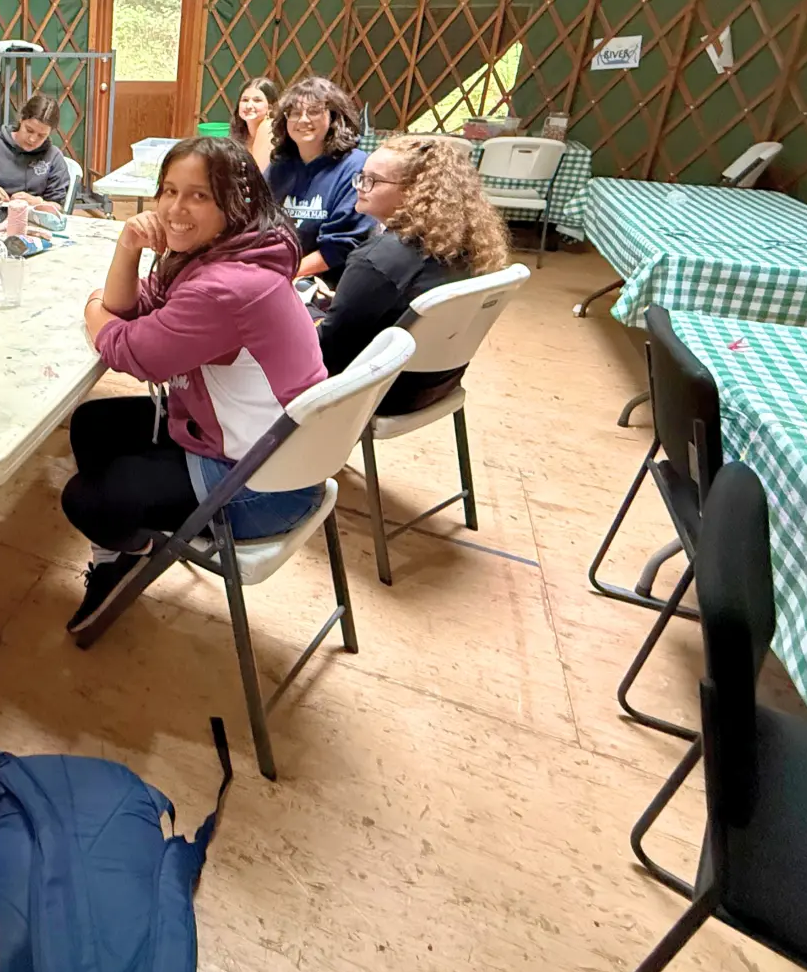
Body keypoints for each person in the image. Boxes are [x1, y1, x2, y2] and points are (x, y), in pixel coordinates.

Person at [61, 137, 329, 634]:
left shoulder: (228, 286)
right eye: (167, 190)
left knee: (84, 499)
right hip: (253, 445)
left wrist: (91, 310)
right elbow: (133, 306)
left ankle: (134, 549)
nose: (175, 208)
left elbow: (128, 349)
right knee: (94, 424)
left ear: (237, 203)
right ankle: (118, 554)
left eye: (199, 196)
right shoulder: (226, 254)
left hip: (263, 485)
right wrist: (128, 245)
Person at [318, 135, 510, 415]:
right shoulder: (464, 246)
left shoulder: (378, 260)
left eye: (373, 180)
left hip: (377, 393)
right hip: (436, 384)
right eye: (361, 177)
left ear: (415, 192)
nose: (359, 187)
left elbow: (327, 351)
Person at [264, 77, 373, 283]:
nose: (303, 120)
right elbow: (255, 219)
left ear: (333, 116)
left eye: (313, 111)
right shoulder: (280, 165)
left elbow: (341, 245)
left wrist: (284, 276)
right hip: (277, 271)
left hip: (327, 283)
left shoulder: (355, 166)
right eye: (294, 113)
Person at [0, 93, 71, 211]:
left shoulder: (53, 157)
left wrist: (38, 202)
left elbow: (59, 207)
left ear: (50, 133)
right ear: (21, 119)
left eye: (41, 136)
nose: (32, 139)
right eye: (29, 130)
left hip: (31, 222)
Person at [230, 78, 279, 171]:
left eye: (257, 100)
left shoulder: (268, 128)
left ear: (270, 108)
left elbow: (258, 175)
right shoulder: (242, 133)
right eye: (245, 100)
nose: (248, 106)